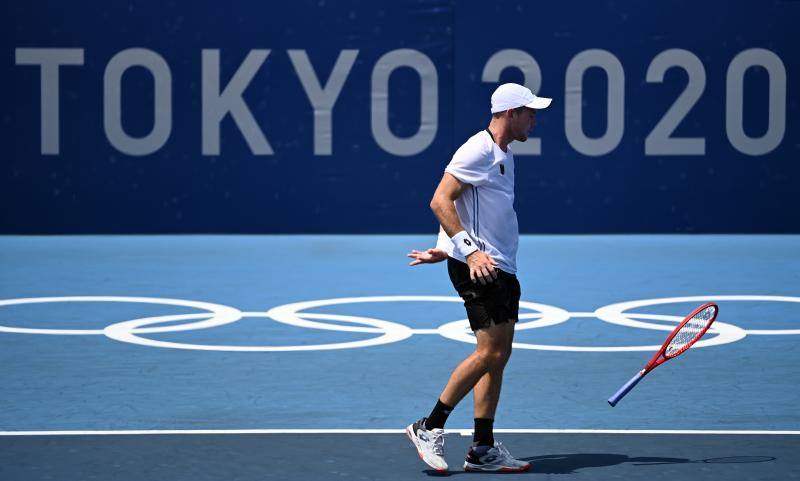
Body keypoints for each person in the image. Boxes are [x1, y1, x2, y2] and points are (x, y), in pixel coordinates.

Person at [405, 83, 552, 473]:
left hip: (500, 265)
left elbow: (467, 204)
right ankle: (428, 426)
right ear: (509, 113)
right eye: (529, 112)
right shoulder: (478, 149)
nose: (534, 119)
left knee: (498, 357)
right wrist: (466, 250)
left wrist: (445, 246)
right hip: (480, 267)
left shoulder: (504, 152)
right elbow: (440, 199)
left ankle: (482, 448)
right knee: (490, 352)